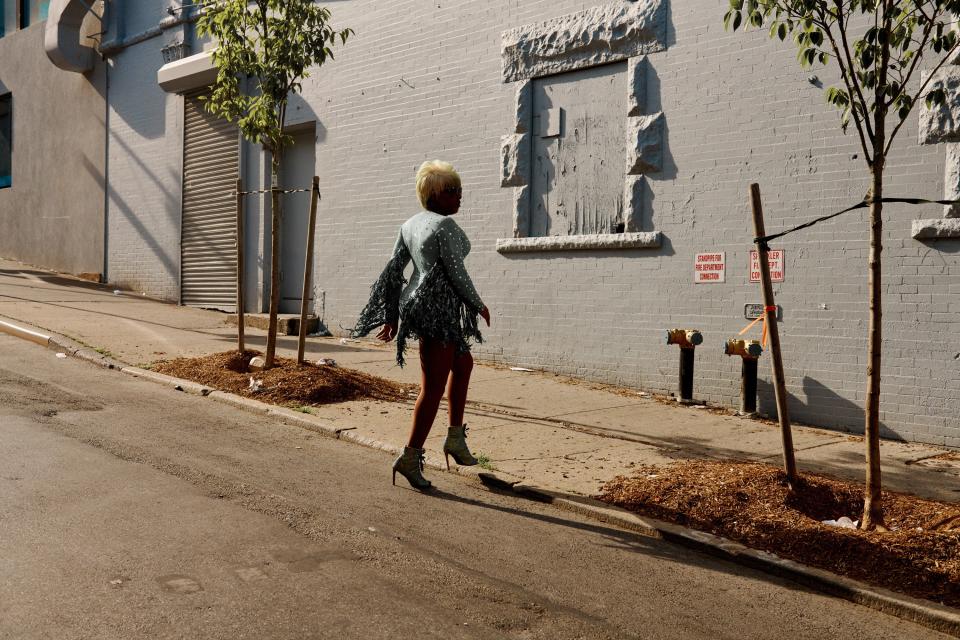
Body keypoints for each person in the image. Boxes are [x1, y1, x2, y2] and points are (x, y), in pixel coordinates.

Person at [352, 160, 491, 490]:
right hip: (436, 307)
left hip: (418, 302)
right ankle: (411, 456)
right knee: (433, 388)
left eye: (459, 190)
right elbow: (457, 273)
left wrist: (392, 315)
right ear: (435, 194)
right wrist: (477, 303)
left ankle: (455, 437)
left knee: (463, 363)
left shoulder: (410, 224)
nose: (460, 196)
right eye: (452, 191)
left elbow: (393, 271)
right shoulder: (444, 227)